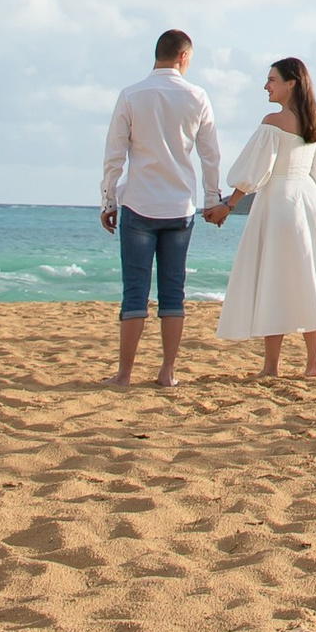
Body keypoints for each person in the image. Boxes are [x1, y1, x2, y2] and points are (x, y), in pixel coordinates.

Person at [205, 56, 316, 379]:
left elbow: (257, 170)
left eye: (272, 80)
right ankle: (313, 364)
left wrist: (229, 204)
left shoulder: (274, 122)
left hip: (279, 202)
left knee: (275, 280)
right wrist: (308, 198)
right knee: (307, 279)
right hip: (307, 203)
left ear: (290, 83)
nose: (266, 86)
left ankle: (271, 366)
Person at [99, 29, 222, 391]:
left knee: (134, 291)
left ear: (158, 54)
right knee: (173, 291)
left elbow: (114, 154)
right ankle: (167, 371)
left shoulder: (132, 94)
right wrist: (212, 199)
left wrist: (108, 199)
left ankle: (124, 374)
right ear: (184, 56)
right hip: (179, 206)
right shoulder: (197, 96)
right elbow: (210, 154)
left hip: (139, 202)